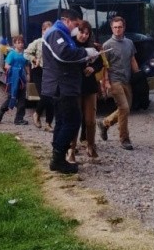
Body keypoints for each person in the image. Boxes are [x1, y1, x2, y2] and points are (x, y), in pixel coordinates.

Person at [42, 9, 98, 174]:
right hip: (62, 85)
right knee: (73, 121)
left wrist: (86, 57)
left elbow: (70, 57)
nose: (76, 28)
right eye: (76, 24)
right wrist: (86, 52)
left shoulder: (62, 33)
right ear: (66, 20)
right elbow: (64, 54)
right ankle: (58, 158)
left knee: (62, 121)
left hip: (64, 85)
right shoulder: (56, 33)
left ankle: (57, 158)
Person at [98, 16, 139, 151]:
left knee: (126, 108)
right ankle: (124, 139)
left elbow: (132, 59)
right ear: (111, 28)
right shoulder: (107, 45)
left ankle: (105, 123)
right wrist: (106, 82)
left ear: (124, 27)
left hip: (127, 79)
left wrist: (138, 74)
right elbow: (104, 66)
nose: (117, 29)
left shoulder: (129, 43)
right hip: (114, 80)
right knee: (124, 108)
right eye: (115, 27)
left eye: (119, 27)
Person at [71, 20, 104, 163]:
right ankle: (71, 149)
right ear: (76, 31)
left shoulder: (92, 46)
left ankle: (91, 146)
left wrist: (93, 68)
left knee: (90, 120)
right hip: (74, 86)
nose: (84, 36)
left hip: (89, 86)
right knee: (75, 119)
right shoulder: (70, 44)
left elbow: (100, 62)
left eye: (86, 33)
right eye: (81, 32)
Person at [24, 21, 54, 131]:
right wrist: (34, 59)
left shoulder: (53, 42)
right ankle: (37, 113)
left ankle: (48, 123)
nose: (50, 33)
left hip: (50, 71)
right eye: (47, 30)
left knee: (51, 97)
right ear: (43, 31)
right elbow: (26, 53)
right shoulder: (37, 42)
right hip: (38, 70)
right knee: (44, 95)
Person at [0, 35, 29, 125]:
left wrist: (28, 75)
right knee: (11, 98)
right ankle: (2, 110)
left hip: (22, 79)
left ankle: (19, 119)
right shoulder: (12, 54)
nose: (21, 44)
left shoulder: (25, 54)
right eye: (18, 43)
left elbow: (26, 65)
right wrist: (15, 70)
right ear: (14, 44)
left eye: (22, 42)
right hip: (14, 80)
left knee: (22, 99)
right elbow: (6, 65)